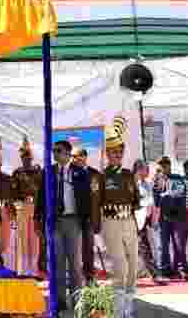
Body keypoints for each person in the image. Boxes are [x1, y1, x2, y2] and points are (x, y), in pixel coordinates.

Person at [91, 118, 139, 318]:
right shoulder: (100, 177)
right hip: (110, 223)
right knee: (120, 265)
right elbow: (95, 203)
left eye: (119, 153)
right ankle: (119, 311)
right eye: (113, 153)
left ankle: (129, 306)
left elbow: (135, 200)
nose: (117, 156)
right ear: (107, 154)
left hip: (129, 221)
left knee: (133, 265)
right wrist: (95, 227)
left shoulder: (129, 175)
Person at [36, 140, 92, 316]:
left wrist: (87, 221)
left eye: (58, 151)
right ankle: (59, 301)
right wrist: (38, 219)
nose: (54, 153)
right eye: (54, 151)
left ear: (67, 153)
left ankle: (77, 300)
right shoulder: (48, 172)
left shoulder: (80, 172)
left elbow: (86, 198)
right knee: (57, 263)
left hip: (73, 221)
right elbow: (41, 197)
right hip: (54, 221)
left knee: (75, 264)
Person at [153, 157, 188, 280]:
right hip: (163, 218)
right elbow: (156, 201)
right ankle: (165, 270)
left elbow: (180, 192)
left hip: (177, 217)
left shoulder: (177, 178)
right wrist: (158, 188)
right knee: (163, 246)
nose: (164, 167)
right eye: (162, 165)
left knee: (179, 245)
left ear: (170, 165)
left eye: (166, 164)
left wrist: (168, 194)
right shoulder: (157, 180)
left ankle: (180, 269)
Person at [10, 142, 42, 274]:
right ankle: (23, 266)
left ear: (32, 157)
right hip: (22, 207)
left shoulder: (38, 171)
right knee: (22, 236)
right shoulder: (17, 173)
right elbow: (13, 193)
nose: (26, 159)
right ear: (21, 158)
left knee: (35, 237)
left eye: (28, 156)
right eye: (23, 157)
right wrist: (14, 210)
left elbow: (42, 190)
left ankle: (34, 266)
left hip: (35, 206)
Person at [72, 147, 100, 279]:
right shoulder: (69, 173)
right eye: (74, 157)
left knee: (88, 245)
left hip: (89, 215)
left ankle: (89, 272)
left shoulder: (94, 173)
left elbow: (98, 196)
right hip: (74, 214)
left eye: (78, 156)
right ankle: (74, 272)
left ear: (84, 157)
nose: (76, 159)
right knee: (73, 245)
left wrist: (97, 218)